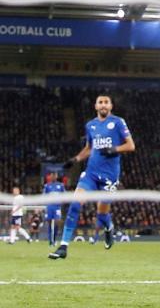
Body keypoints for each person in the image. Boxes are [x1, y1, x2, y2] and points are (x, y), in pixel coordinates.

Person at [49, 94, 135, 260]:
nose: (103, 105)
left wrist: (114, 150)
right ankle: (63, 247)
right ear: (96, 106)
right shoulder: (91, 125)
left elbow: (130, 145)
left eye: (106, 102)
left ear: (111, 106)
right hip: (91, 174)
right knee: (75, 203)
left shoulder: (118, 122)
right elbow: (89, 148)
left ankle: (109, 228)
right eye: (100, 102)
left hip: (109, 177)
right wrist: (75, 160)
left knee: (102, 215)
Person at [43, 173, 65, 247]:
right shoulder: (47, 185)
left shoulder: (61, 185)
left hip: (57, 207)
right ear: (50, 177)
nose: (53, 177)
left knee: (57, 223)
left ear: (56, 176)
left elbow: (64, 195)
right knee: (49, 224)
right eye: (52, 176)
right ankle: (50, 241)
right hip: (49, 206)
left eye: (55, 175)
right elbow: (44, 196)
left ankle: (54, 239)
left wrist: (61, 202)